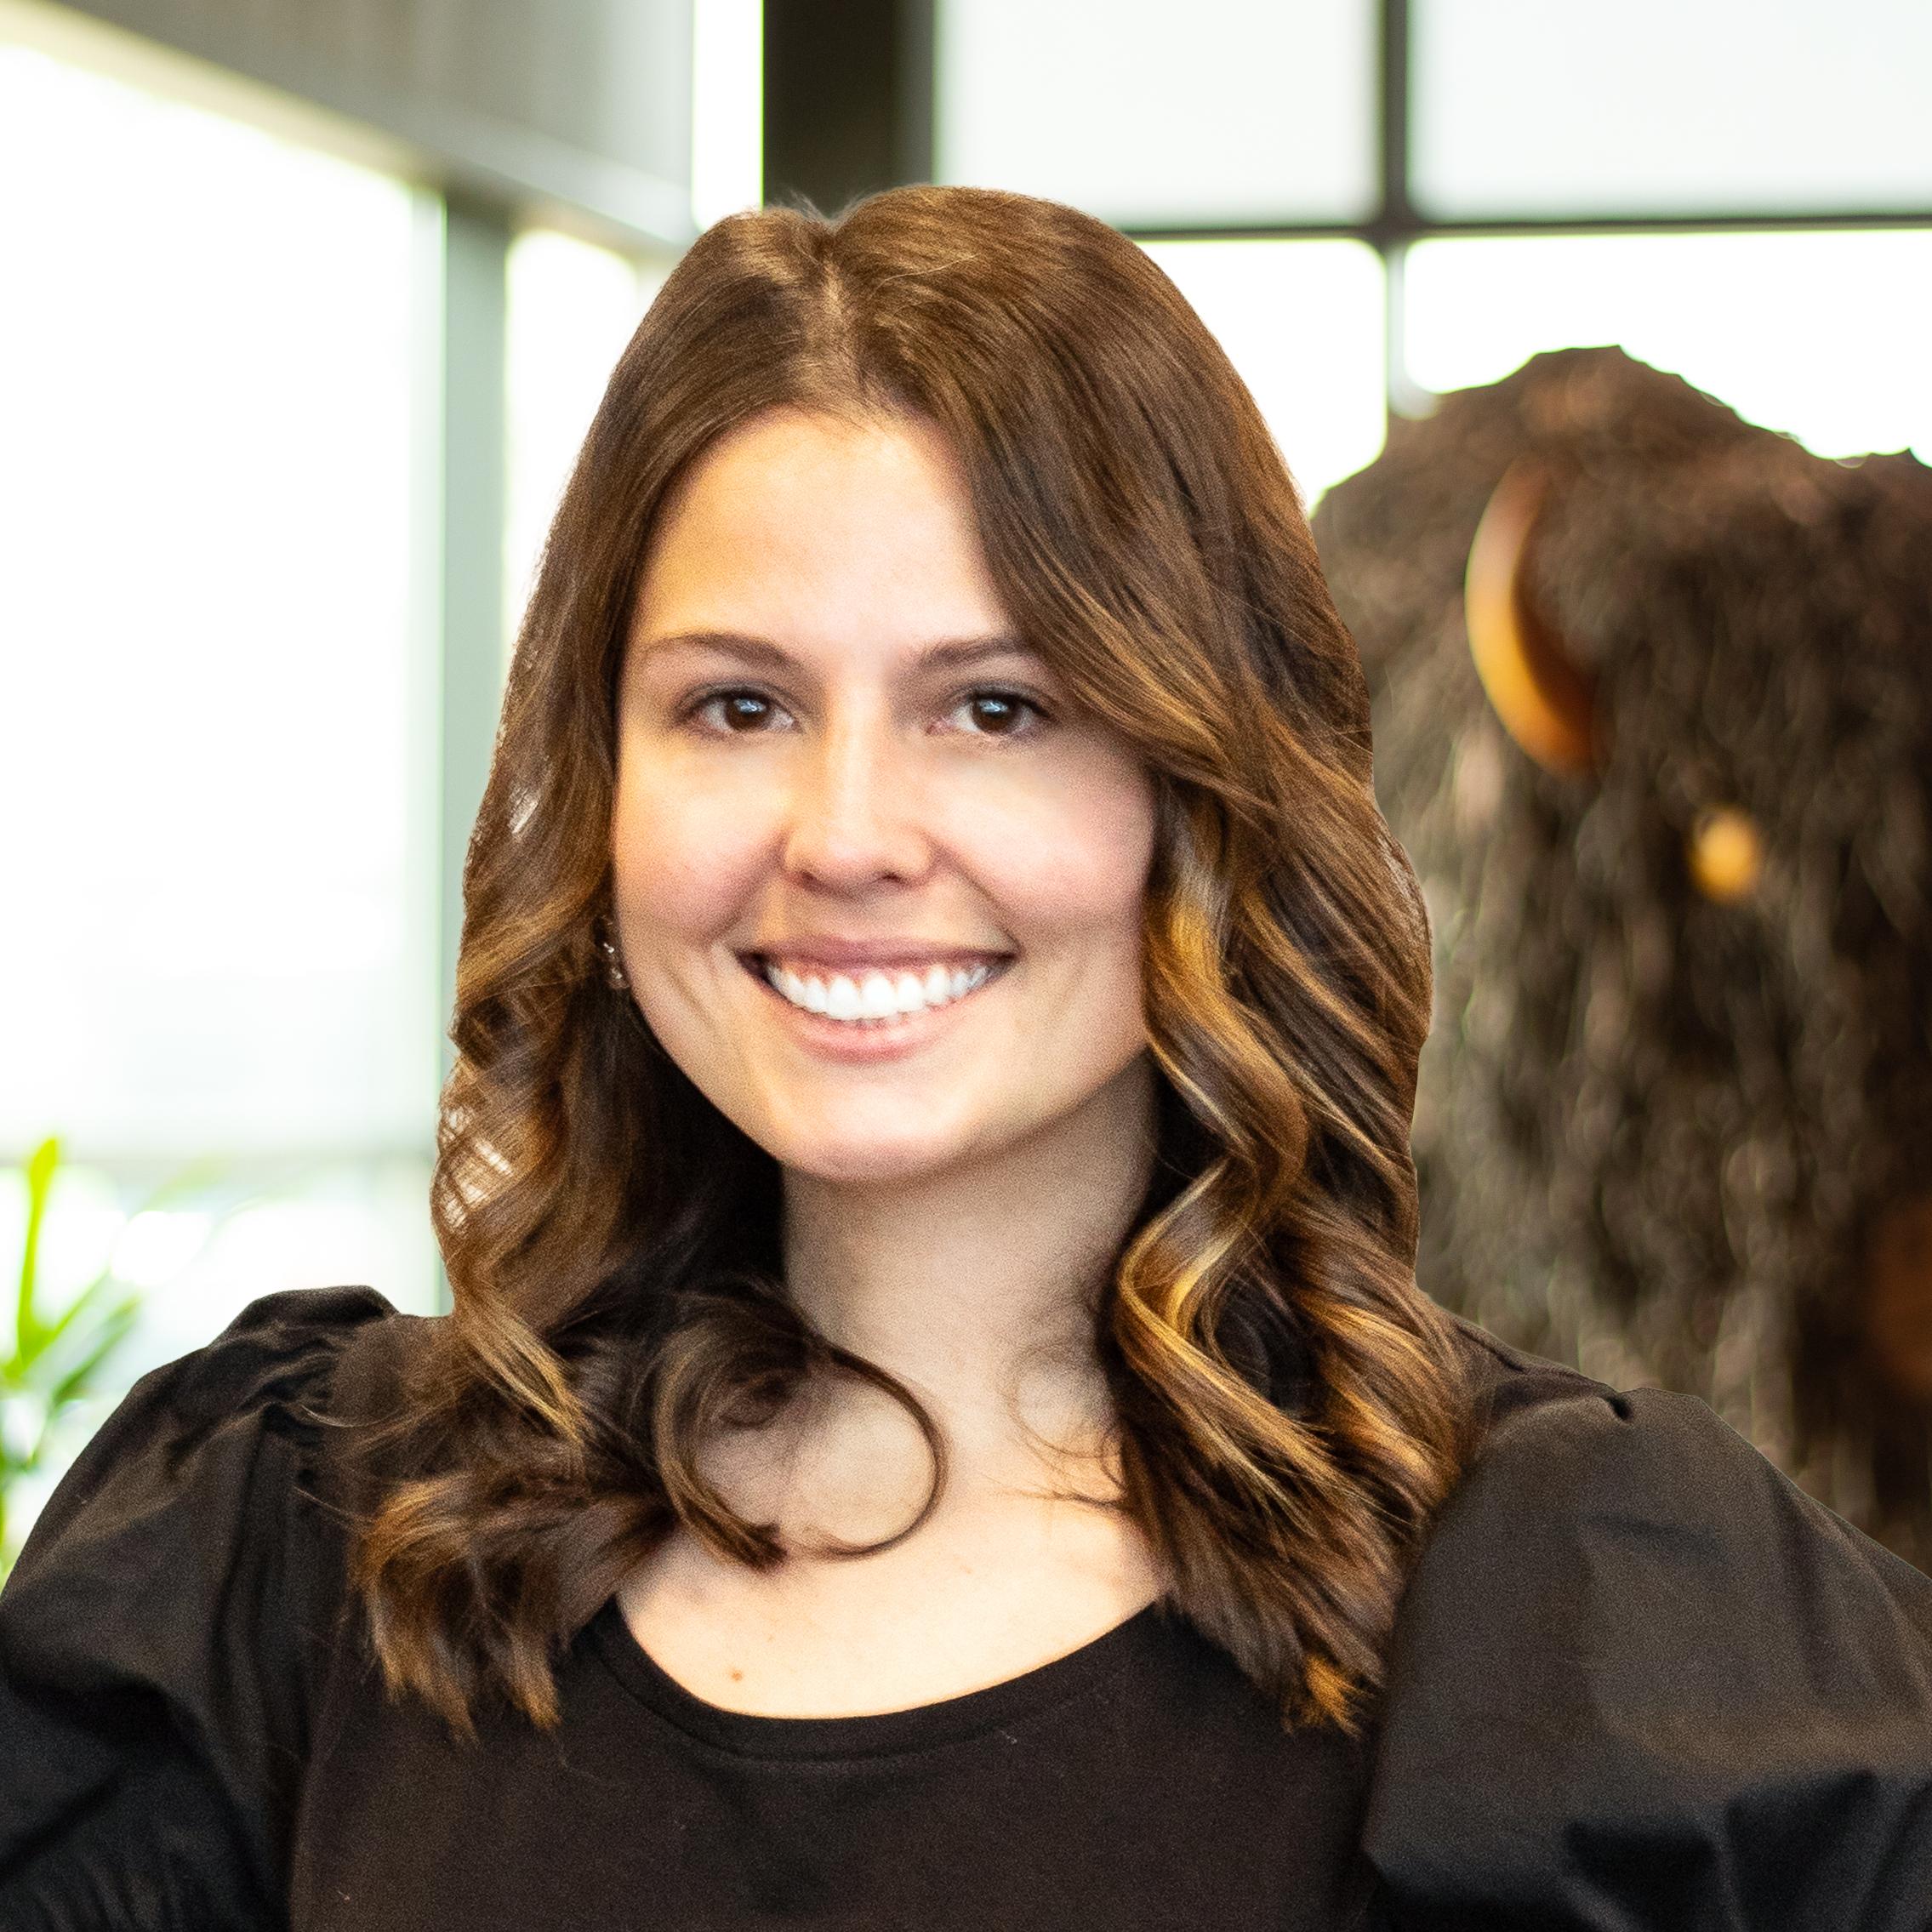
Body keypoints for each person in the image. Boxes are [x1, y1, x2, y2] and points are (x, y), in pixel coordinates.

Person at [2, 185, 1929, 1932]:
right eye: (735, 702)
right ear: (599, 782)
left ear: (1204, 794)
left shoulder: (1601, 1627)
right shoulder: (277, 1564)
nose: (843, 831)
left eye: (994, 706)